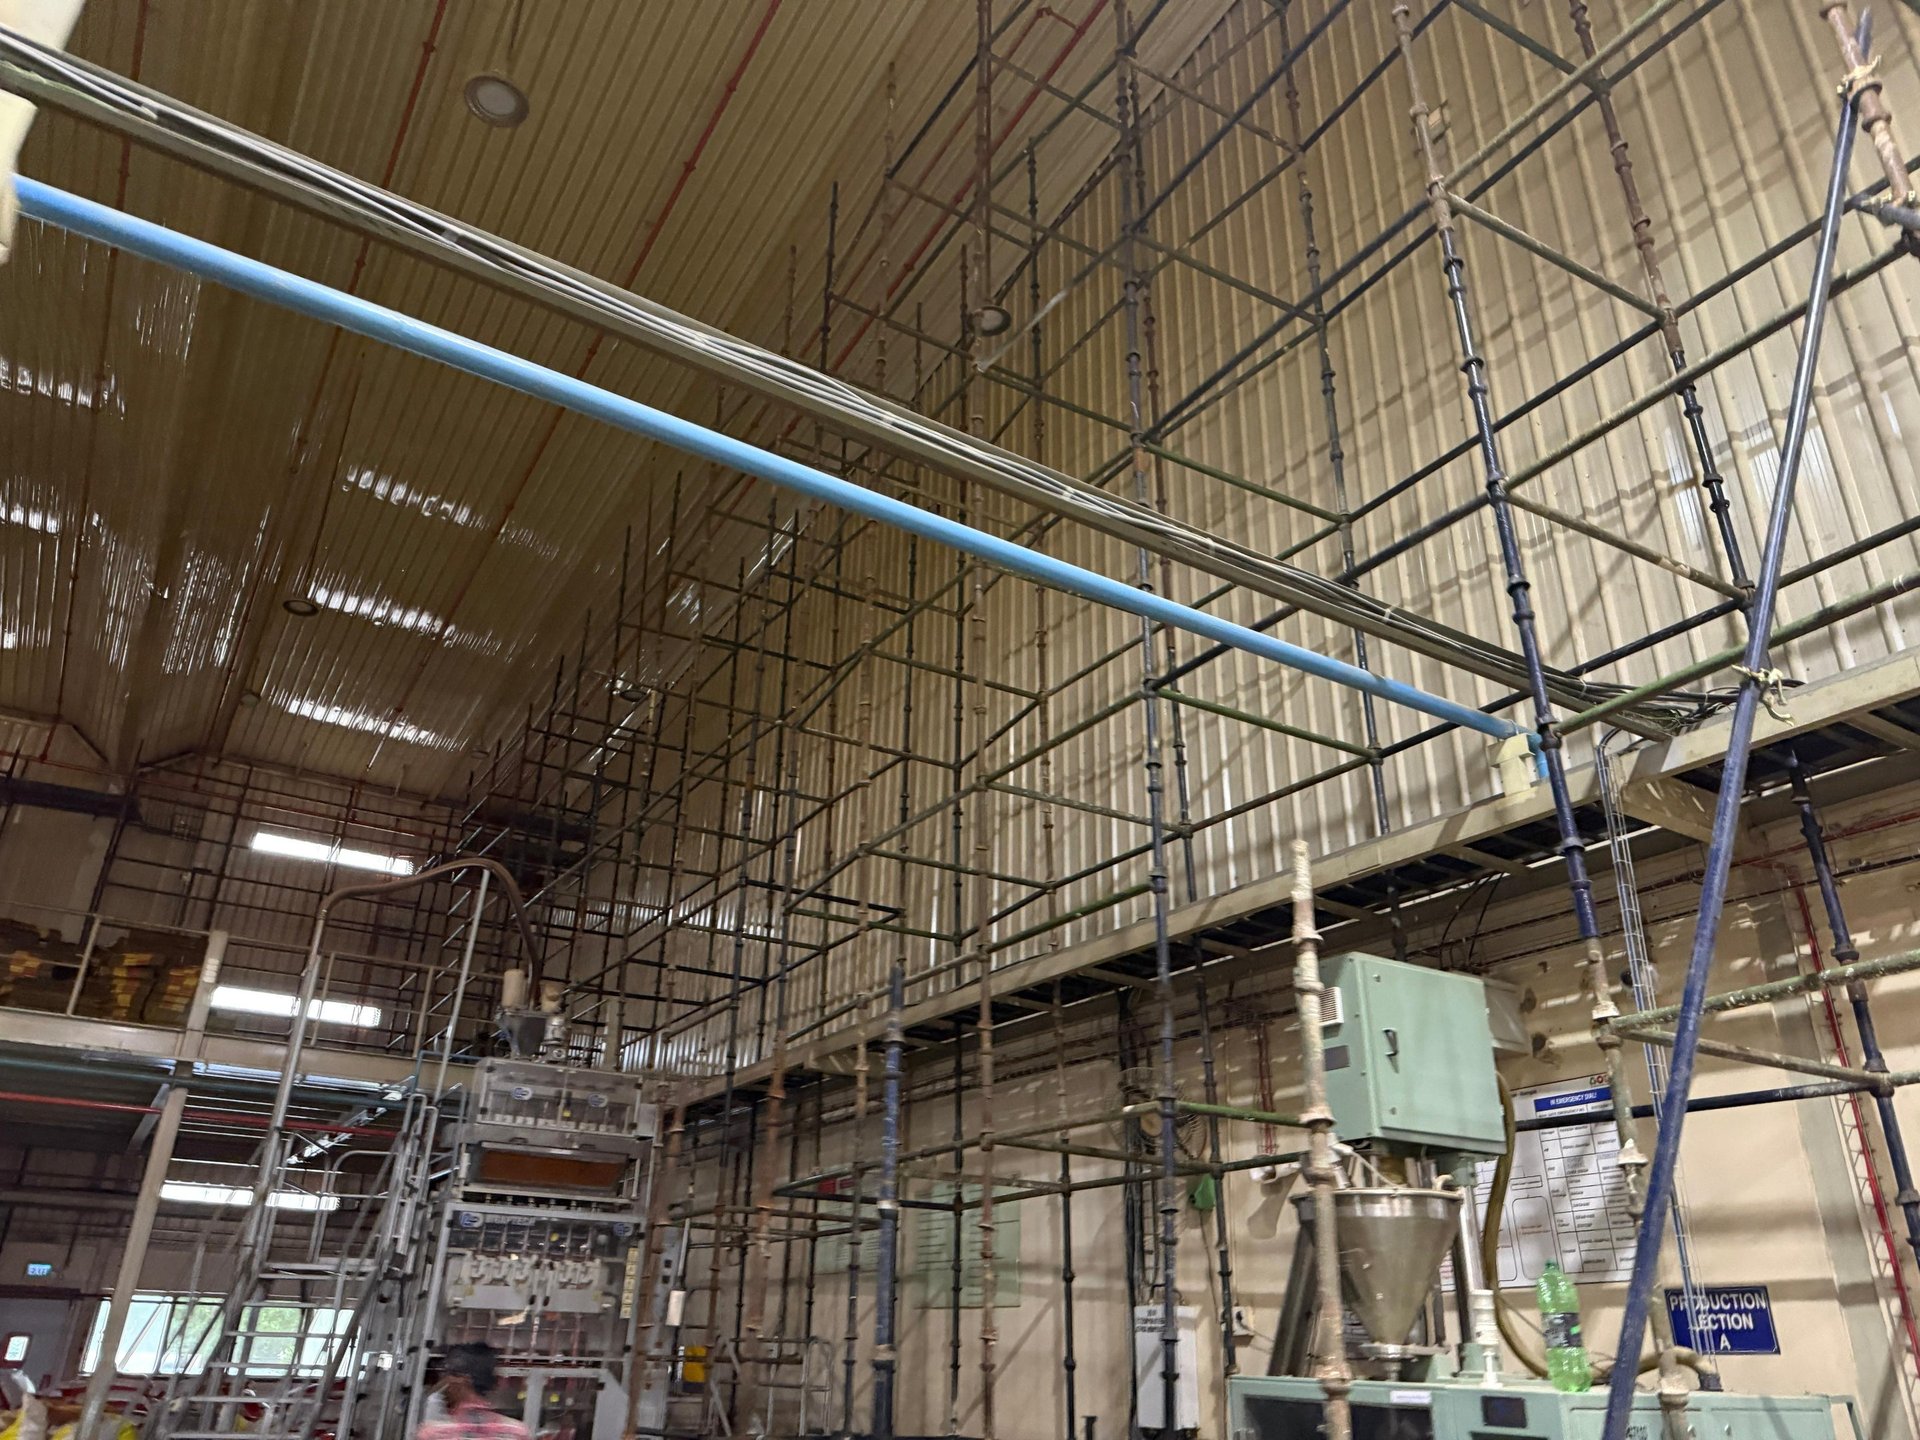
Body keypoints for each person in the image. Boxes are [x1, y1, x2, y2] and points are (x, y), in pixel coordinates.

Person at [415, 1343, 527, 1440]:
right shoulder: (516, 1433)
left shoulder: (434, 1434)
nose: (444, 1388)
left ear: (460, 1381)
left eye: (446, 1377)